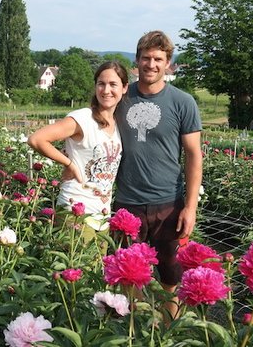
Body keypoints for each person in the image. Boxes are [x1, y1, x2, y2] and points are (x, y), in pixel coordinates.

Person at [113, 30, 203, 323]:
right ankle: (135, 329)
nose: (151, 64)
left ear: (168, 64)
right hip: (128, 202)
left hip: (169, 202)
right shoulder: (121, 98)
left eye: (158, 59)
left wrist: (190, 208)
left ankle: (167, 330)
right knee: (128, 274)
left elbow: (193, 155)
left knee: (170, 274)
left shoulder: (182, 102)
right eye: (145, 58)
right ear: (136, 62)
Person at [28, 61, 129, 215]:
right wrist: (69, 164)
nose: (106, 90)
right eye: (101, 84)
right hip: (75, 207)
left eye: (113, 84)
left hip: (101, 213)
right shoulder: (83, 118)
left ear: (124, 88)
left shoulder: (117, 124)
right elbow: (36, 139)